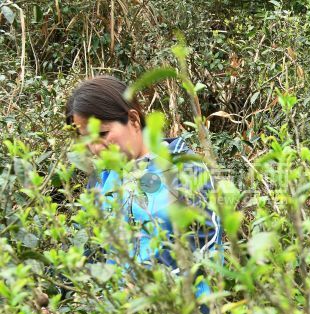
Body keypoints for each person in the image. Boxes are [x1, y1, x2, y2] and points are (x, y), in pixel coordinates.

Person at [65, 75, 222, 300]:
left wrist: (142, 287)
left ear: (133, 119)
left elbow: (203, 241)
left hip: (184, 309)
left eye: (102, 134)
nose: (96, 148)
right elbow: (88, 246)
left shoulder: (185, 168)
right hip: (119, 313)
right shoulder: (101, 179)